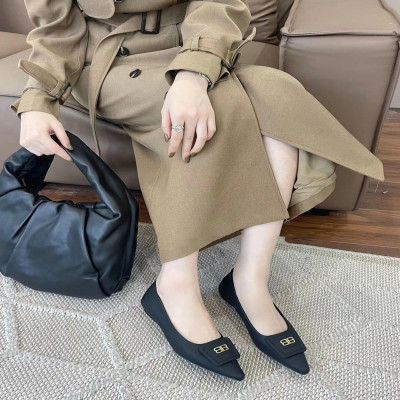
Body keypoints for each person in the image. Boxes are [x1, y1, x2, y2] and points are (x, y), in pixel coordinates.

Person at [11, 0, 384, 381]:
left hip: (195, 44)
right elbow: (56, 30)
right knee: (210, 113)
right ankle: (175, 284)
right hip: (109, 62)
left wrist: (194, 73)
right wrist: (38, 99)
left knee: (278, 93)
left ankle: (250, 280)